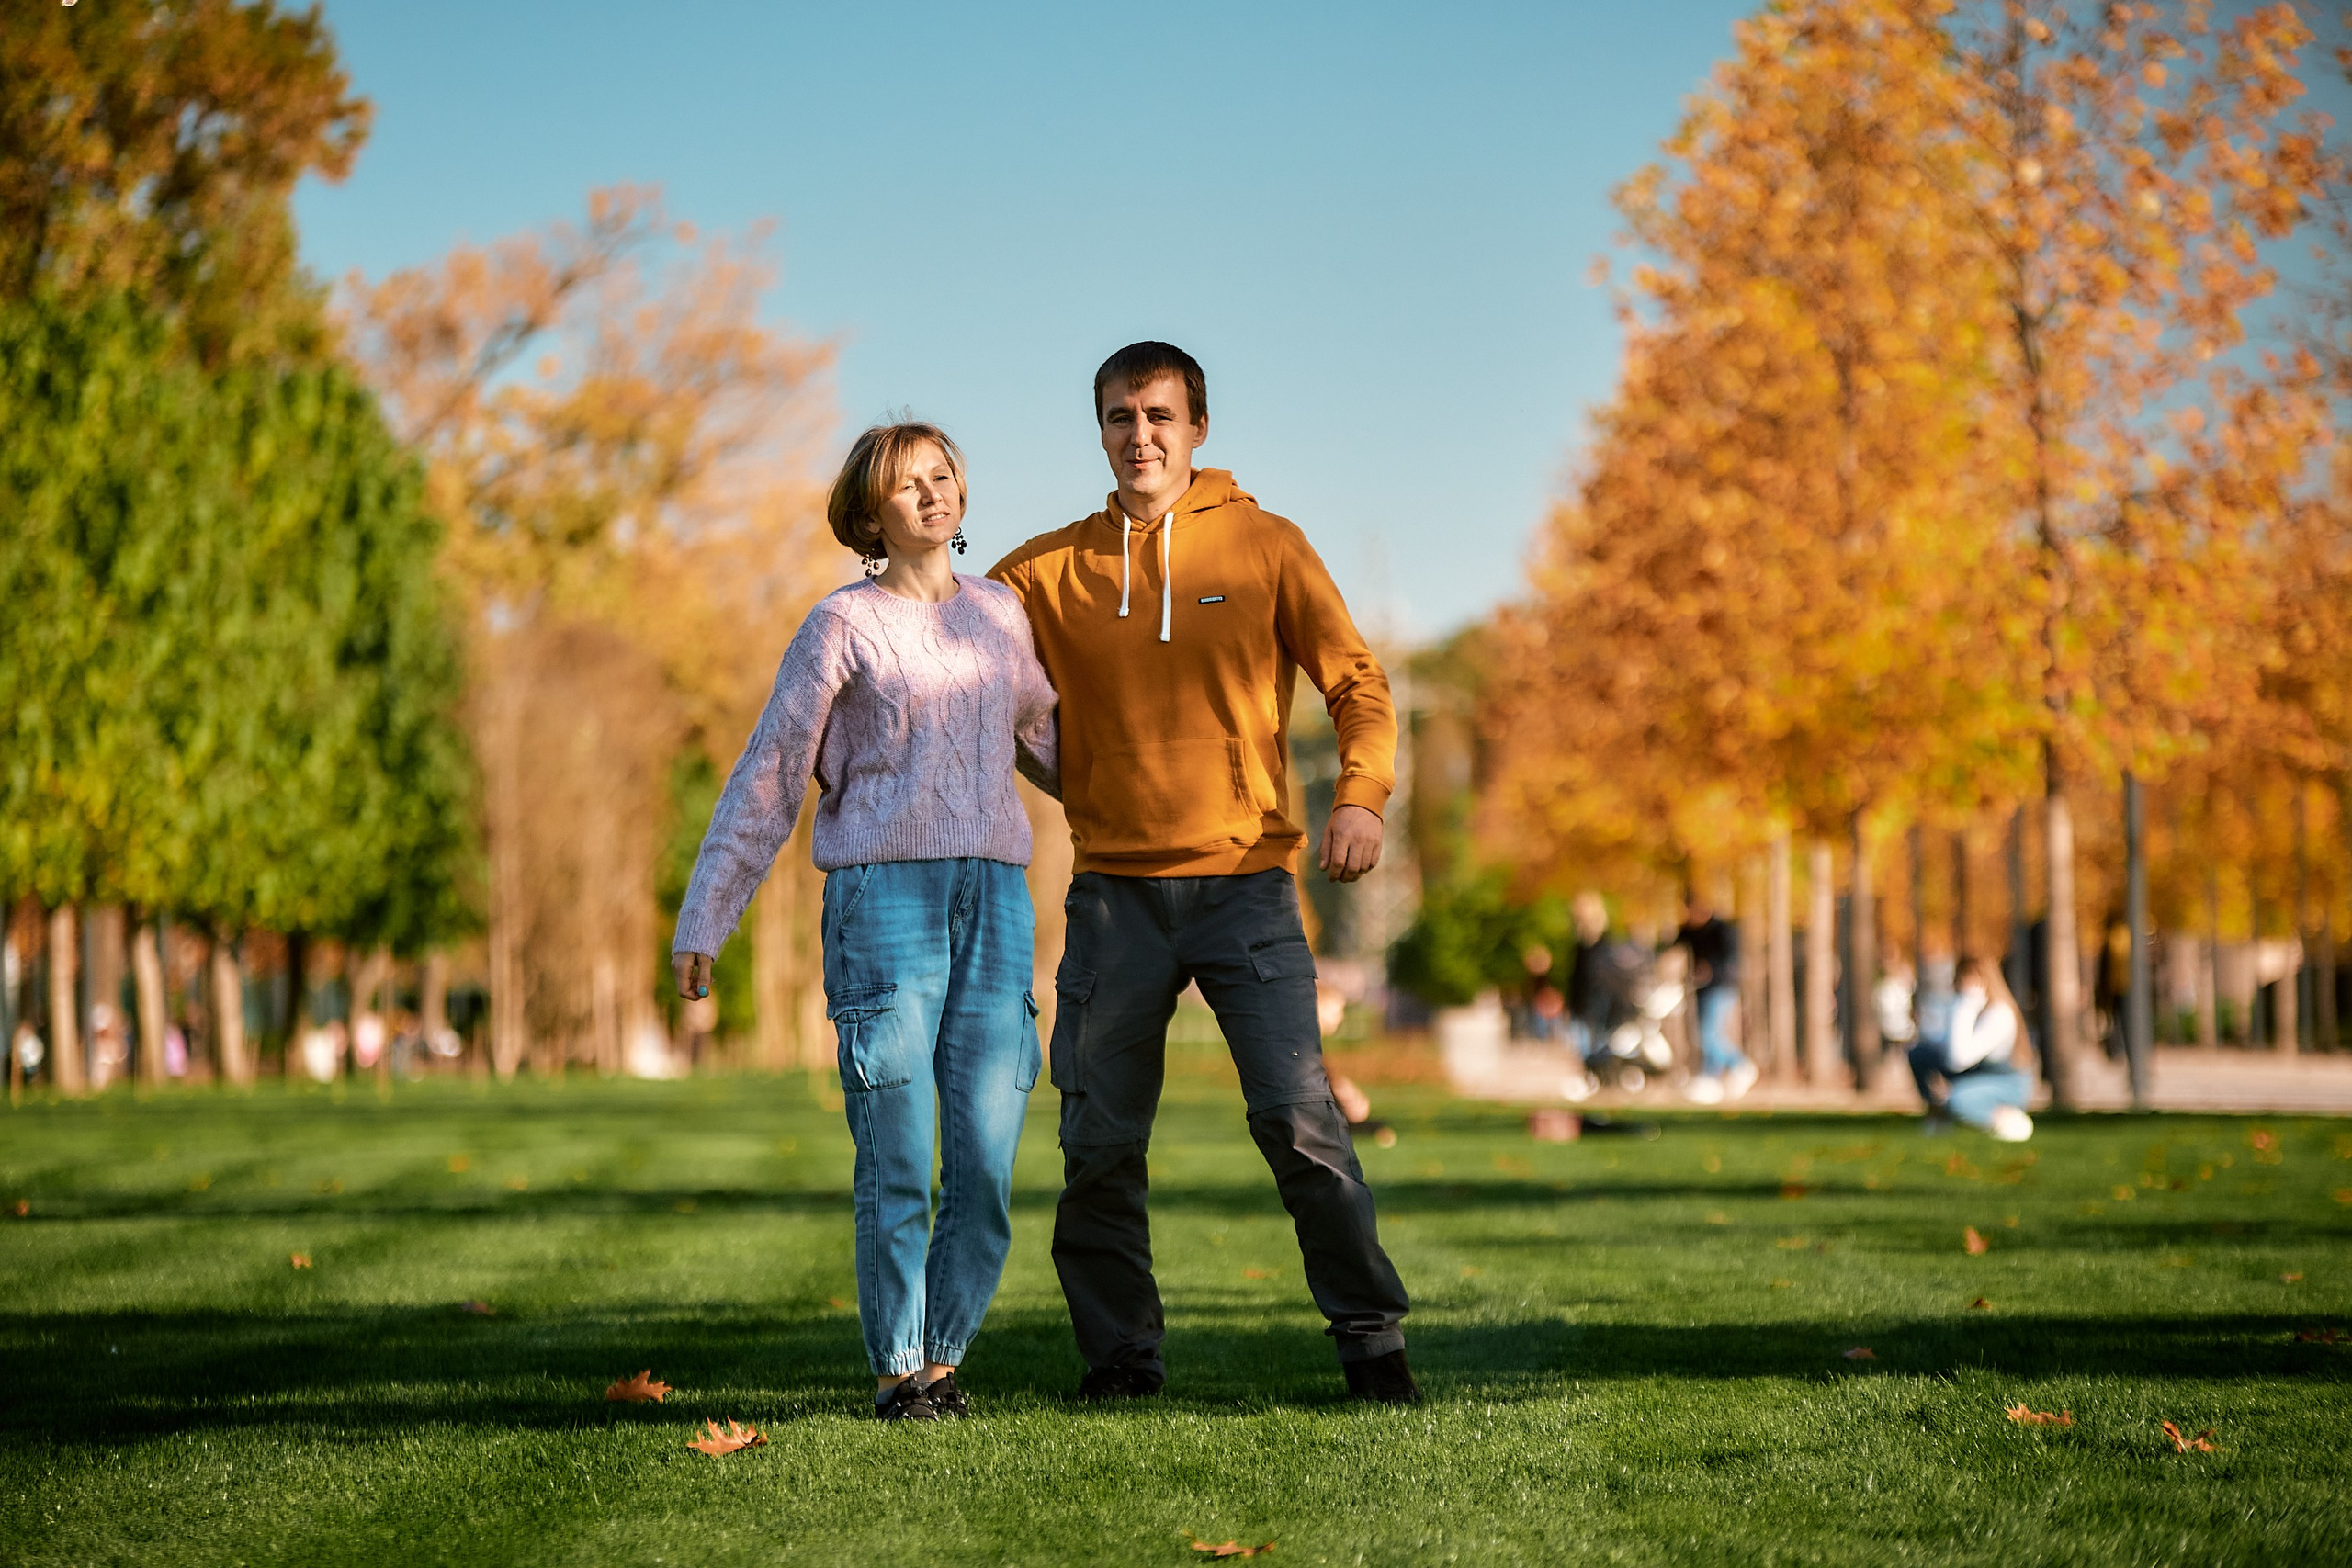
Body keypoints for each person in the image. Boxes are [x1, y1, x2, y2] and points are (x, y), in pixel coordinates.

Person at [989, 341, 1418, 1404]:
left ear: (1198, 429)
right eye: (1120, 417)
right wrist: (1074, 784)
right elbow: (952, 657)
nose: (1141, 435)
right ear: (1099, 430)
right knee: (1095, 1142)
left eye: (1160, 416)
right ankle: (1121, 1363)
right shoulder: (1043, 571)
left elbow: (1356, 682)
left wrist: (1359, 797)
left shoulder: (1268, 546)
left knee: (1298, 1120)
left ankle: (1372, 1346)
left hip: (1247, 888)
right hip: (1114, 898)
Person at [672, 421, 1059, 1422]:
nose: (932, 496)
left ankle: (942, 1361)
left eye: (943, 478)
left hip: (996, 904)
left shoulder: (1000, 619)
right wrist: (707, 914)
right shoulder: (838, 626)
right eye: (906, 485)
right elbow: (769, 774)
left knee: (984, 1157)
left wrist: (1166, 817)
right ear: (868, 514)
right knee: (897, 1153)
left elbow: (1053, 744)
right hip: (883, 903)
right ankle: (896, 1371)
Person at [1907, 954, 2035, 1142]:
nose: (1959, 985)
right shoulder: (1974, 1007)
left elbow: (1958, 1060)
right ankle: (1937, 1112)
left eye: (1964, 979)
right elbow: (1944, 1044)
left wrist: (1965, 1006)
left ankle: (2007, 1118)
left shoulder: (1999, 1014)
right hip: (1976, 1073)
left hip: (2006, 1083)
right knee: (1919, 1054)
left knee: (1958, 1101)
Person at [1676, 890, 1757, 1104]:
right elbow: (1672, 947)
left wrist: (1710, 970)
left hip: (1722, 987)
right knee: (1705, 1034)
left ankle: (1739, 1065)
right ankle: (1710, 1082)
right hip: (1703, 989)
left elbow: (1731, 961)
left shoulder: (1723, 930)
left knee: (1708, 1034)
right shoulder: (1690, 931)